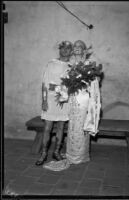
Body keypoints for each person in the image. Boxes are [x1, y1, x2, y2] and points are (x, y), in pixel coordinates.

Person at [43, 40, 101, 170]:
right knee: (73, 126)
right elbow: (62, 81)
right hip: (72, 98)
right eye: (75, 46)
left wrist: (92, 78)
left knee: (81, 125)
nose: (77, 48)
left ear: (84, 49)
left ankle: (80, 154)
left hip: (83, 98)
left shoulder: (89, 63)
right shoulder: (70, 63)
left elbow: (96, 79)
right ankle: (72, 153)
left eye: (80, 46)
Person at [35, 41, 73, 166]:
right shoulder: (51, 63)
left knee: (61, 127)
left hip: (64, 99)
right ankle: (44, 153)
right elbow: (45, 84)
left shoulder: (72, 66)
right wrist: (44, 101)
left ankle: (56, 152)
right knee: (47, 127)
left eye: (68, 48)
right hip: (51, 99)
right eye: (63, 48)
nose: (65, 50)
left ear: (71, 51)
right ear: (59, 50)